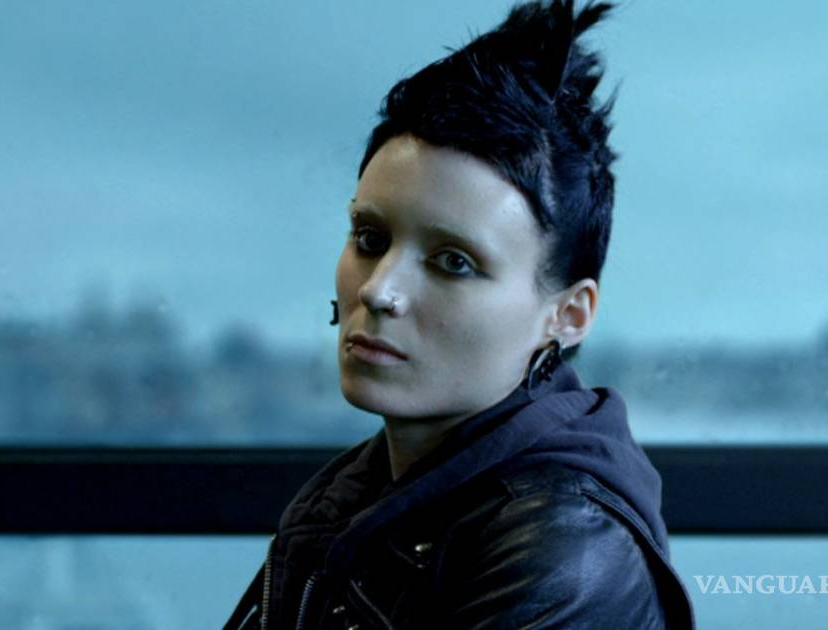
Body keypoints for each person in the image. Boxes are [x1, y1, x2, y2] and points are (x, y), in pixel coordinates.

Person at [224, 1, 695, 627]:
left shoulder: (563, 550)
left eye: (453, 262)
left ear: (569, 314)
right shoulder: (359, 495)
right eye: (369, 239)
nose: (380, 291)